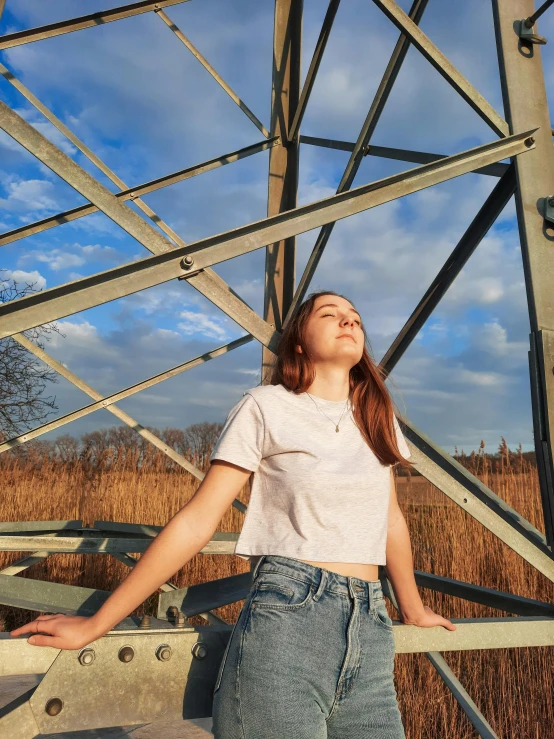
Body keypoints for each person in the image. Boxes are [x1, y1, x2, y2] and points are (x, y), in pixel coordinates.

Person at [10, 289, 456, 738]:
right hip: (289, 620)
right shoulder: (265, 406)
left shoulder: (378, 417)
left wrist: (412, 608)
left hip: (370, 626)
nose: (349, 321)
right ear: (298, 343)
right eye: (330, 314)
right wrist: (97, 623)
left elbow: (390, 520)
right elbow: (197, 520)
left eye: (355, 317)